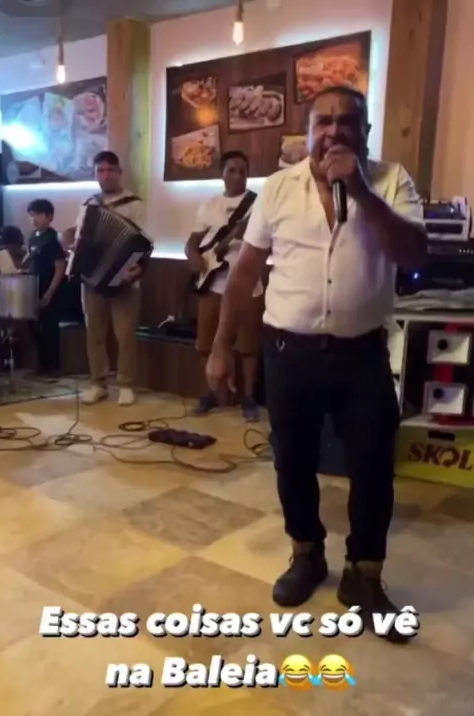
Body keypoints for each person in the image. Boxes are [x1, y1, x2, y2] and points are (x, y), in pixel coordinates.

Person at [206, 85, 427, 643]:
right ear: (306, 133)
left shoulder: (391, 181)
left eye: (345, 121)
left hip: (362, 357)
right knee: (293, 463)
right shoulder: (278, 189)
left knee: (373, 470)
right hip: (289, 355)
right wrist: (221, 346)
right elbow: (244, 274)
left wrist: (360, 191)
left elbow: (413, 254)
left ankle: (364, 576)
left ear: (364, 132)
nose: (332, 131)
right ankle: (306, 554)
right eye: (322, 122)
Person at [185, 150, 263, 422]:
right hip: (212, 283)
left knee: (248, 345)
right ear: (222, 174)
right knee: (205, 343)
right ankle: (211, 394)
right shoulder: (209, 205)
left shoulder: (259, 205)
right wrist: (193, 257)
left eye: (243, 171)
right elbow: (192, 242)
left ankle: (248, 397)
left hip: (249, 285)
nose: (238, 176)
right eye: (232, 170)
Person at [73, 150, 149, 407]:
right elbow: (80, 239)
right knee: (94, 333)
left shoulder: (135, 204)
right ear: (95, 174)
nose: (105, 175)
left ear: (119, 172)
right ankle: (98, 383)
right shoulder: (88, 204)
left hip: (124, 280)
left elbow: (143, 243)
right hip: (91, 278)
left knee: (125, 335)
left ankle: (126, 384)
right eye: (100, 171)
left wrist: (137, 268)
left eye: (110, 170)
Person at [27, 199, 67, 375]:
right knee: (34, 327)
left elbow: (60, 267)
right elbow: (31, 258)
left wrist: (49, 294)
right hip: (33, 287)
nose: (33, 219)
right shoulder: (32, 236)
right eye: (31, 215)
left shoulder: (53, 238)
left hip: (50, 289)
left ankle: (53, 367)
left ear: (49, 217)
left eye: (38, 215)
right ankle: (41, 365)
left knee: (50, 328)